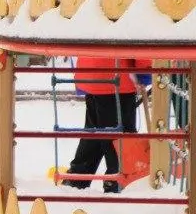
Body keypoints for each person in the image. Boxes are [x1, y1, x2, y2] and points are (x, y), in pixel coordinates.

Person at [62, 56, 151, 193]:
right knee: (119, 140)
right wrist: (144, 73)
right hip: (117, 79)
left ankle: (77, 178)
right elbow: (137, 41)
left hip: (92, 74)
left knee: (95, 134)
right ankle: (117, 184)